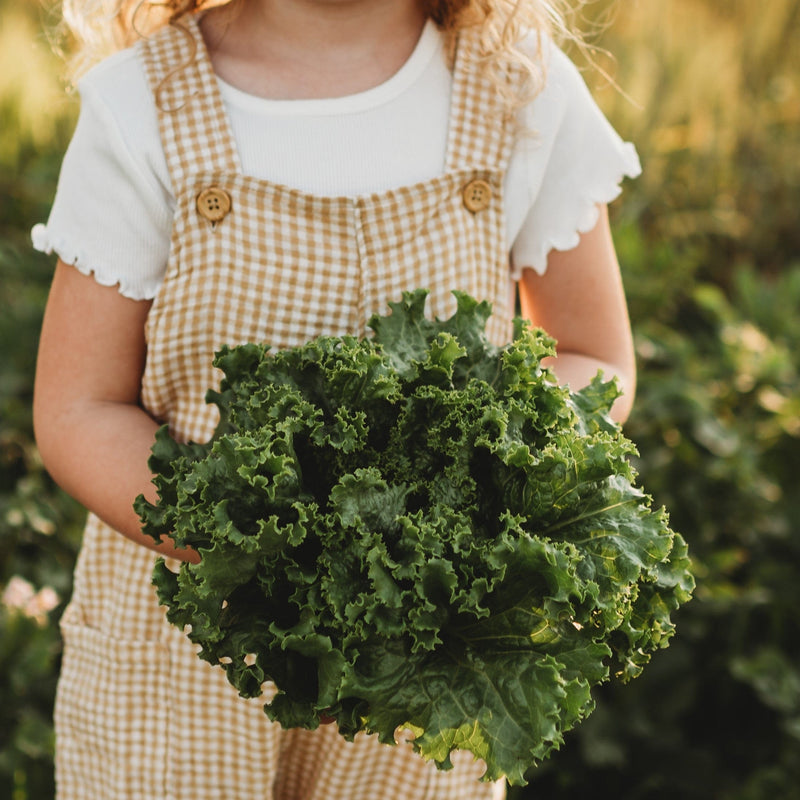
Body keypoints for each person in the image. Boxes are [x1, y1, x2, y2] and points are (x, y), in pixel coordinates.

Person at [32, 0, 640, 797]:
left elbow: (593, 358)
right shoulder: (142, 104)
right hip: (179, 650)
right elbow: (80, 408)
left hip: (421, 665)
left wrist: (463, 499)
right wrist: (251, 544)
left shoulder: (518, 89)